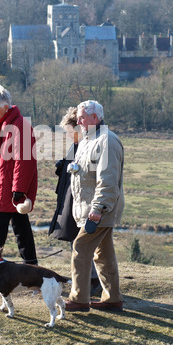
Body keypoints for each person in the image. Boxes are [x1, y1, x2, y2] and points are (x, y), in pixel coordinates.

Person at [65, 100, 124, 312]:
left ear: (95, 118)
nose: (78, 120)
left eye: (81, 117)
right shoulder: (88, 139)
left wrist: (97, 209)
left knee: (80, 248)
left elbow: (108, 182)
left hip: (99, 211)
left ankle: (79, 299)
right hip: (93, 211)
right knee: (104, 254)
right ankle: (112, 299)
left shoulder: (107, 141)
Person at [49, 107, 101, 295]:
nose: (69, 136)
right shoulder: (79, 145)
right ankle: (85, 278)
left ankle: (91, 279)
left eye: (71, 132)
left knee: (83, 242)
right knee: (77, 241)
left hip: (81, 201)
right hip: (73, 200)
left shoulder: (88, 145)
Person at [0, 84, 38, 266]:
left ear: (6, 108)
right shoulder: (2, 124)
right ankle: (31, 263)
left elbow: (24, 161)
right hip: (5, 184)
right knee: (20, 226)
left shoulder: (19, 125)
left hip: (11, 186)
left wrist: (19, 189)